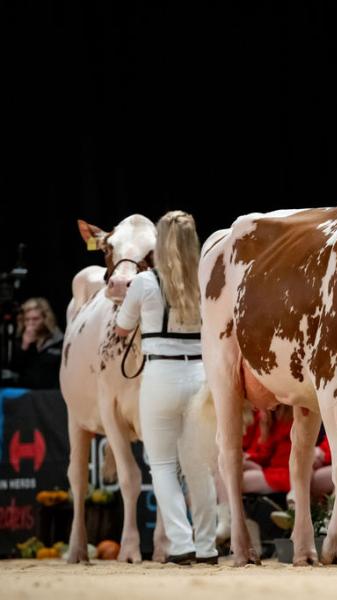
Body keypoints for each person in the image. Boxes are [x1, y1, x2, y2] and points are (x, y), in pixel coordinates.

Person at [114, 210, 217, 565]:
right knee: (199, 467)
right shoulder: (207, 279)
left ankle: (181, 543)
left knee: (161, 464)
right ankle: (207, 547)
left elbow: (122, 329)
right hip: (201, 377)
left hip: (161, 376)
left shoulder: (145, 282)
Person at [11, 297, 63, 388]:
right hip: (26, 394)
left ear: (45, 318)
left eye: (35, 319)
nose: (30, 323)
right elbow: (15, 370)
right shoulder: (19, 339)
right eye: (27, 320)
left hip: (50, 394)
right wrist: (24, 346)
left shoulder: (58, 340)